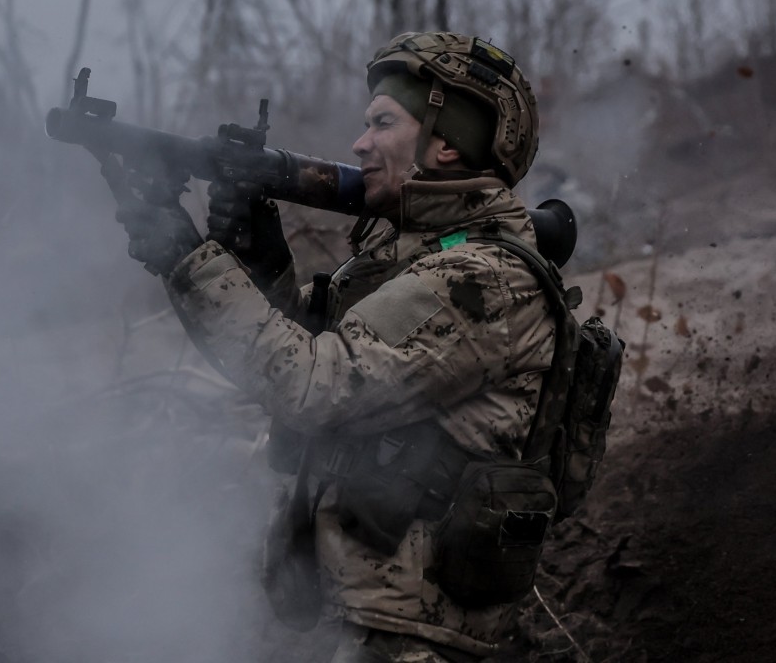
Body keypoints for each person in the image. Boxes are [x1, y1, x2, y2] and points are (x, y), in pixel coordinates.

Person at [111, 32, 552, 662]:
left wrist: (190, 256)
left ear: (447, 143)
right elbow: (285, 362)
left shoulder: (483, 280)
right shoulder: (408, 260)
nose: (359, 143)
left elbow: (313, 387)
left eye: (382, 122)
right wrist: (253, 256)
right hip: (361, 618)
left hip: (413, 641)